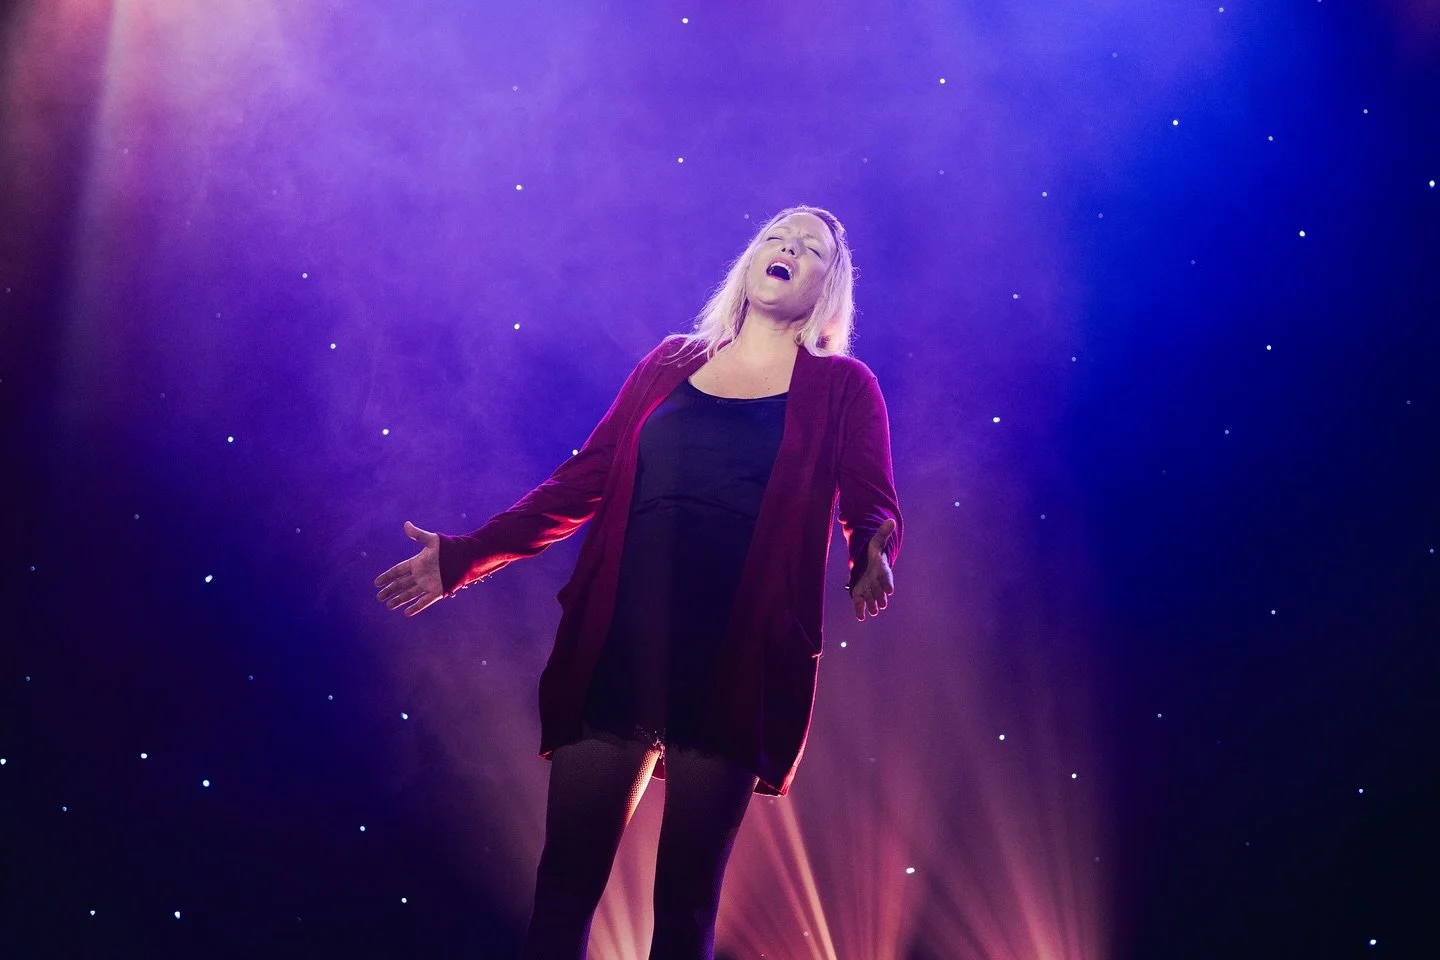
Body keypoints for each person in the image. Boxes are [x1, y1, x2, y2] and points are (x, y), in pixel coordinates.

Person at [374, 205, 902, 959]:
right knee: (564, 889)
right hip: (621, 643)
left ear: (828, 286)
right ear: (751, 260)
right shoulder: (669, 362)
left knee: (685, 907)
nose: (787, 247)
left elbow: (871, 501)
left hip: (734, 661)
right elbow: (582, 482)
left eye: (810, 248)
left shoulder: (843, 386)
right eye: (775, 236)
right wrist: (465, 556)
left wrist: (871, 553)